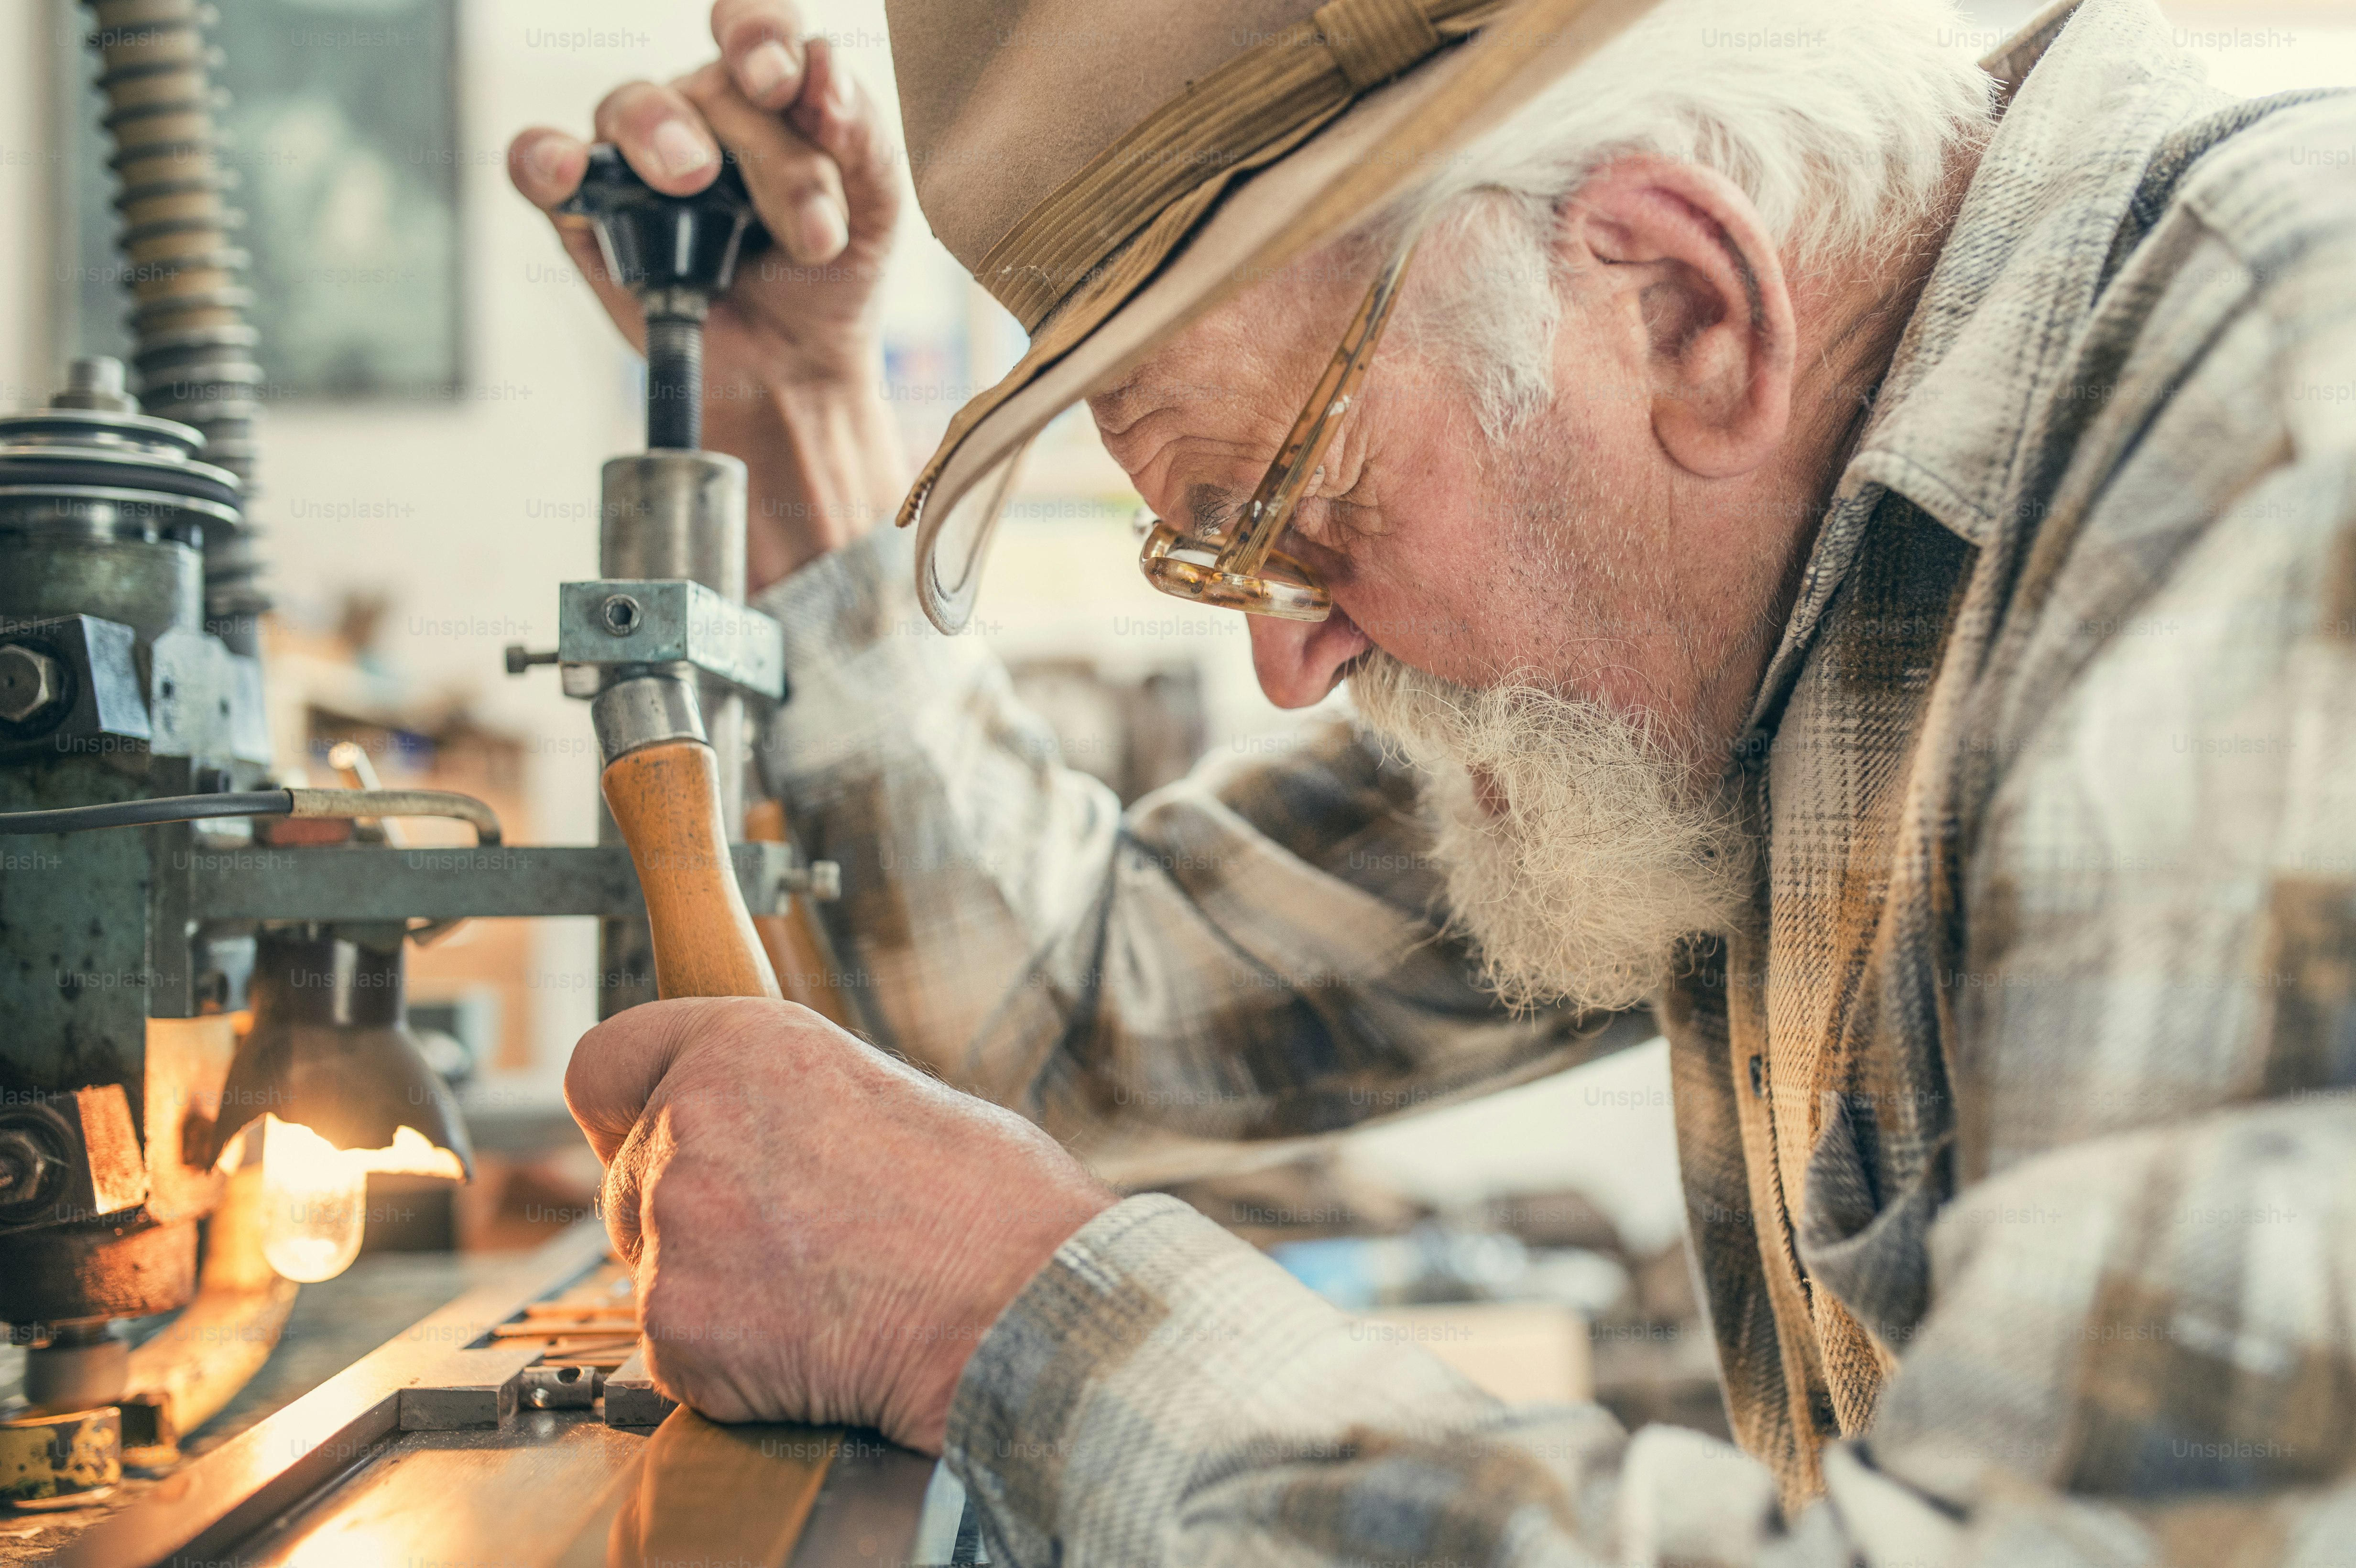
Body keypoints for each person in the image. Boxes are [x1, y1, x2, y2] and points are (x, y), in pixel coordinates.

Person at [508, 0, 2356, 1559]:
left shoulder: (2281, 428)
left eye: (1299, 526)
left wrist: (1008, 1314)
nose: (1289, 658)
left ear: (1682, 306)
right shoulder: (1714, 593)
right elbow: (1082, 1004)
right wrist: (803, 406)